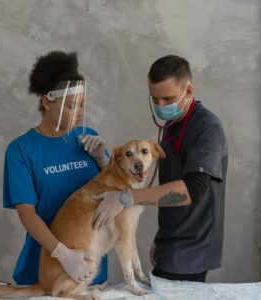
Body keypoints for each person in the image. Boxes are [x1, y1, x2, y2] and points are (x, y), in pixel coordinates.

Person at [91, 55, 228, 283]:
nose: (161, 106)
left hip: (192, 246)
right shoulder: (172, 127)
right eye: (155, 99)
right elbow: (169, 182)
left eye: (168, 98)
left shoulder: (208, 129)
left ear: (189, 90)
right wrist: (161, 235)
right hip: (170, 241)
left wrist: (126, 197)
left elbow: (192, 189)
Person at [3, 51, 108, 285]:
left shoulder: (89, 139)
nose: (79, 113)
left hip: (90, 270)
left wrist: (104, 162)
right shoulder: (21, 150)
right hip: (44, 273)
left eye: (82, 105)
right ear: (47, 101)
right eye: (72, 105)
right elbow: (27, 214)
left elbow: (116, 194)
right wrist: (63, 254)